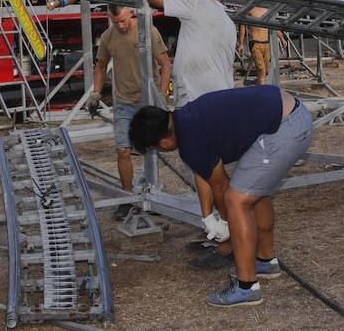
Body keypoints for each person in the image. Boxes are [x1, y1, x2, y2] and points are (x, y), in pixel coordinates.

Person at [129, 85, 314, 308]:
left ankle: (247, 288)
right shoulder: (185, 118)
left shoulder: (189, 139)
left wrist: (226, 223)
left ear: (163, 143)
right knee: (253, 191)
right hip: (292, 115)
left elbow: (220, 186)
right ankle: (266, 261)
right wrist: (208, 218)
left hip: (285, 127)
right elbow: (204, 171)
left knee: (237, 200)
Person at [131, 0, 237, 255]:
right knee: (205, 169)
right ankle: (214, 229)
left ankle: (228, 239)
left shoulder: (198, 5)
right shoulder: (227, 22)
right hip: (217, 104)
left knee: (212, 175)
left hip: (200, 106)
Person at [87, 5, 173, 219]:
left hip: (148, 100)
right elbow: (101, 65)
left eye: (124, 20)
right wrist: (96, 93)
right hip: (124, 101)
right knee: (123, 150)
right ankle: (127, 199)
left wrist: (161, 95)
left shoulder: (148, 31)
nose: (121, 25)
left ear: (131, 13)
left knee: (150, 149)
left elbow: (165, 64)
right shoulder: (108, 36)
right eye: (116, 22)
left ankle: (152, 193)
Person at [238, 7, 271, 85]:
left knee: (265, 72)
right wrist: (241, 44)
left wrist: (282, 38)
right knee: (261, 69)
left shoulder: (267, 10)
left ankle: (258, 84)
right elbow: (242, 26)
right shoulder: (250, 9)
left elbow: (274, 26)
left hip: (266, 43)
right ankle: (262, 92)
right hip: (255, 42)